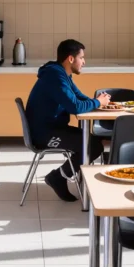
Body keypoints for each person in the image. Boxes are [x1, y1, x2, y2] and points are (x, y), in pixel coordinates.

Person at [25, 39, 110, 202]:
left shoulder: (61, 73)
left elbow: (79, 97)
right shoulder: (55, 75)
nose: (84, 62)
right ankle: (57, 177)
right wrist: (98, 102)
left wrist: (100, 103)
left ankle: (68, 176)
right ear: (71, 59)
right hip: (44, 135)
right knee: (92, 146)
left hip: (52, 128)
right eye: (82, 58)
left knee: (93, 142)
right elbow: (75, 107)